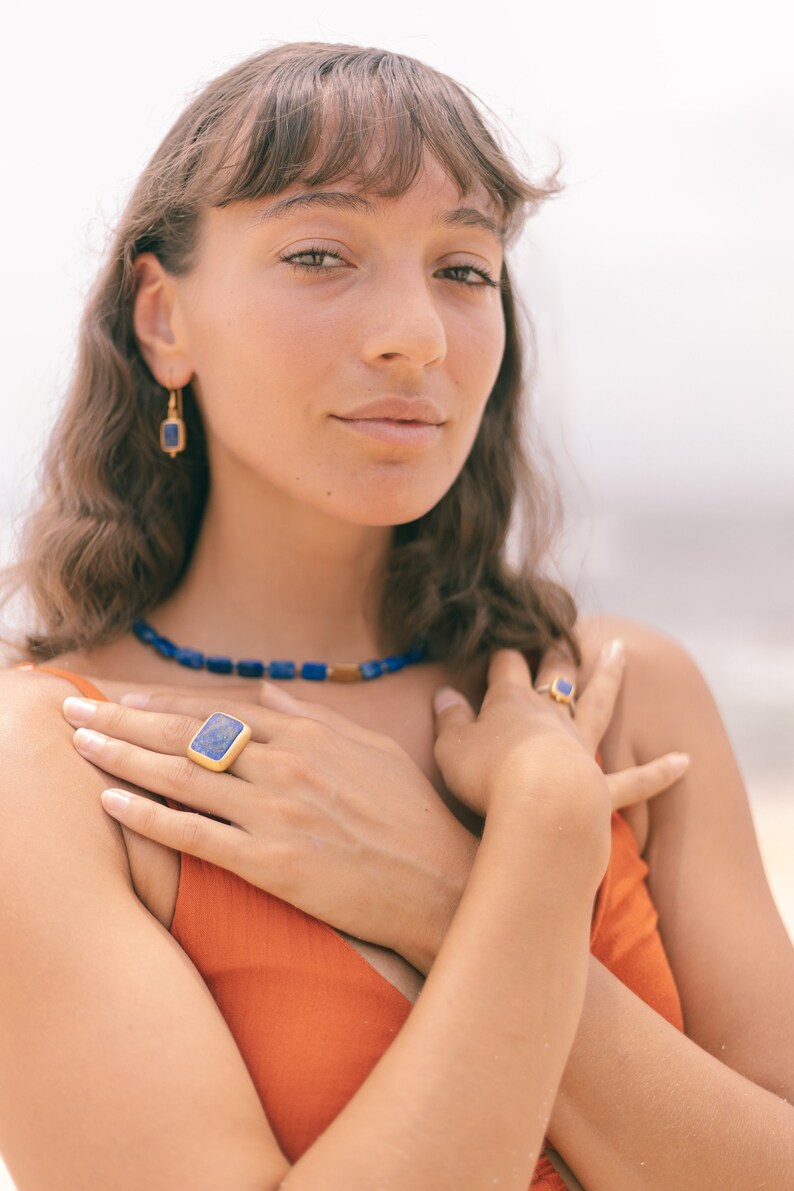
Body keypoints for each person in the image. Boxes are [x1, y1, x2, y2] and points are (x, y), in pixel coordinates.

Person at [0, 42, 792, 1191]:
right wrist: (542, 839)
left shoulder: (621, 696)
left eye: (463, 270)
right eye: (321, 254)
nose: (415, 333)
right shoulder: (61, 762)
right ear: (163, 319)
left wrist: (443, 888)